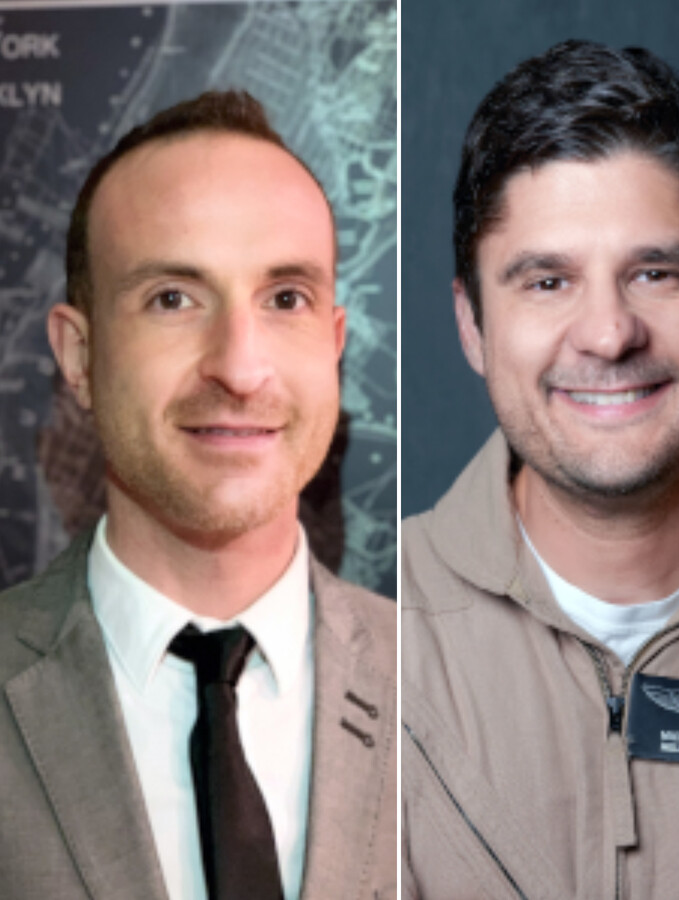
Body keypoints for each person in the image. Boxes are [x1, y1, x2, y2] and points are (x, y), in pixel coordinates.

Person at [401, 40, 679, 899]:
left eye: (656, 273)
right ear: (472, 324)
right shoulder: (361, 630)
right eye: (547, 282)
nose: (610, 333)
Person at [0, 90, 396, 900]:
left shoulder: (460, 694)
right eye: (173, 299)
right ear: (78, 356)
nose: (239, 368)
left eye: (285, 299)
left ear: (333, 344)